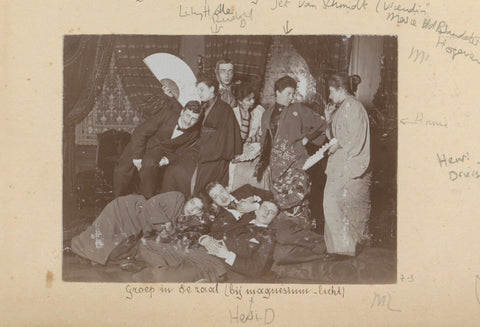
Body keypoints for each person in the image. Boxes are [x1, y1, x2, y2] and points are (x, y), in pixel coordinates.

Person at [256, 75, 327, 226]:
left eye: (293, 93)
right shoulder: (266, 113)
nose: (291, 97)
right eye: (288, 93)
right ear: (277, 92)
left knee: (297, 200)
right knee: (278, 206)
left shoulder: (299, 109)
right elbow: (265, 140)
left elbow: (321, 124)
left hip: (296, 164)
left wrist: (307, 138)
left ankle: (302, 232)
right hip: (276, 167)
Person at [161, 75, 243, 197]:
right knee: (172, 169)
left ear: (212, 89)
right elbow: (188, 119)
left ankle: (185, 203)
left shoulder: (225, 109)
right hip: (199, 149)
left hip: (214, 156)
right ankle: (169, 204)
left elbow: (225, 139)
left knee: (180, 172)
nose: (199, 93)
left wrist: (202, 152)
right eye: (198, 89)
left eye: (202, 89)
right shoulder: (203, 106)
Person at [322, 74, 371, 261]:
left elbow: (355, 137)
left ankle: (344, 250)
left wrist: (339, 144)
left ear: (338, 89)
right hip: (338, 163)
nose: (330, 96)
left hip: (348, 164)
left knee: (338, 205)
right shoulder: (343, 107)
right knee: (332, 205)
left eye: (330, 92)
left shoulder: (353, 106)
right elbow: (334, 136)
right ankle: (337, 249)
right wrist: (328, 120)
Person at [71, 191, 191, 265]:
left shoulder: (186, 220)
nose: (193, 208)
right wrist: (165, 223)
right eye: (193, 203)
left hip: (136, 225)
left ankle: (90, 249)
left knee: (114, 250)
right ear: (190, 199)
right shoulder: (178, 198)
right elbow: (151, 204)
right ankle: (79, 244)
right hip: (128, 209)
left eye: (198, 209)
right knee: (102, 239)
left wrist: (167, 229)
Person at [113, 100, 202, 199]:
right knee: (121, 171)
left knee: (149, 165)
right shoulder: (167, 114)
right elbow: (140, 132)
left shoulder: (194, 133)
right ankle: (117, 200)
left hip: (158, 152)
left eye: (194, 119)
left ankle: (146, 200)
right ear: (182, 112)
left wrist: (167, 159)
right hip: (140, 144)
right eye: (187, 115)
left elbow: (181, 152)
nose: (189, 121)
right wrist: (137, 157)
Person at [200, 200, 279, 278]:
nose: (266, 212)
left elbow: (257, 269)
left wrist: (227, 255)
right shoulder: (243, 222)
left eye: (271, 212)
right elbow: (218, 234)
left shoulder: (269, 237)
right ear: (257, 211)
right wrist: (205, 239)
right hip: (206, 253)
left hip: (222, 269)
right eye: (264, 208)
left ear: (274, 219)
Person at [228, 81, 269, 191]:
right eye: (248, 99)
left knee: (261, 173)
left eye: (253, 98)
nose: (253, 102)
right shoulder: (232, 114)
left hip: (257, 149)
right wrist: (246, 118)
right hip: (237, 152)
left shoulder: (259, 111)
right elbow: (237, 139)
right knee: (242, 172)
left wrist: (249, 139)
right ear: (240, 101)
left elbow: (263, 135)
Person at [205, 181, 272, 236]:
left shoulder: (246, 190)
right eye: (216, 196)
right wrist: (237, 215)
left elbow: (270, 196)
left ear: (227, 189)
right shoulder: (220, 219)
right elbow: (214, 233)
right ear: (214, 202)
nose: (222, 197)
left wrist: (255, 206)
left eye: (221, 191)